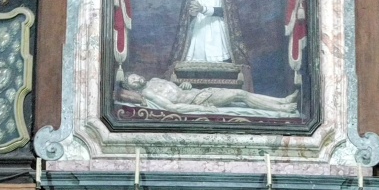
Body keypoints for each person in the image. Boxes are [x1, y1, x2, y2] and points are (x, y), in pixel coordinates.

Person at [122, 74, 297, 115]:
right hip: (200, 99)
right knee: (240, 96)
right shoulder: (148, 93)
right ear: (134, 89)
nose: (137, 80)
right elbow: (171, 106)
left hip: (199, 92)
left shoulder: (154, 80)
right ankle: (283, 108)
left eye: (135, 76)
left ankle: (282, 100)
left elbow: (176, 90)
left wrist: (184, 84)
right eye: (133, 82)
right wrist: (200, 108)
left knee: (242, 96)